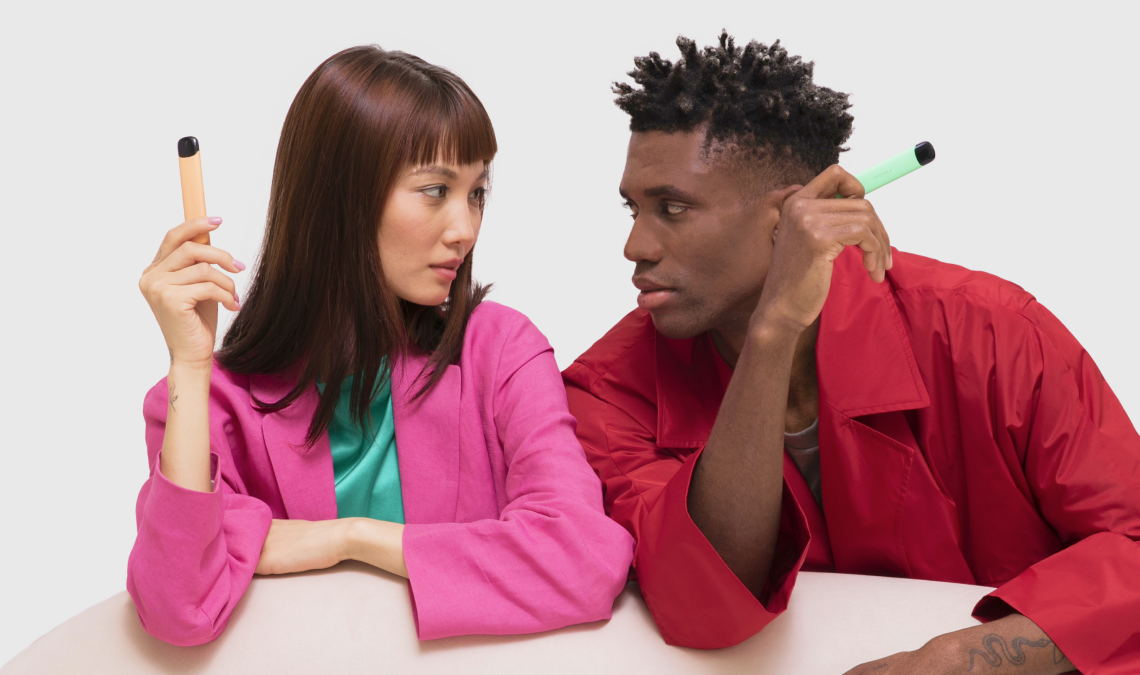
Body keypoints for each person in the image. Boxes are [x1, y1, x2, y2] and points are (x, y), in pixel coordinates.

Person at [563, 32, 1139, 675]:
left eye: (672, 208)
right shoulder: (606, 391)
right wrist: (772, 330)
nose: (635, 246)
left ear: (788, 217)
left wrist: (957, 662)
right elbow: (701, 600)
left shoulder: (991, 334)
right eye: (632, 209)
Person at [131, 45, 634, 647]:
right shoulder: (208, 404)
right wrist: (189, 364)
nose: (466, 229)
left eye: (476, 192)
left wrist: (351, 539)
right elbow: (178, 606)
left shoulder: (499, 351)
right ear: (341, 199)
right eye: (434, 190)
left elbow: (585, 560)